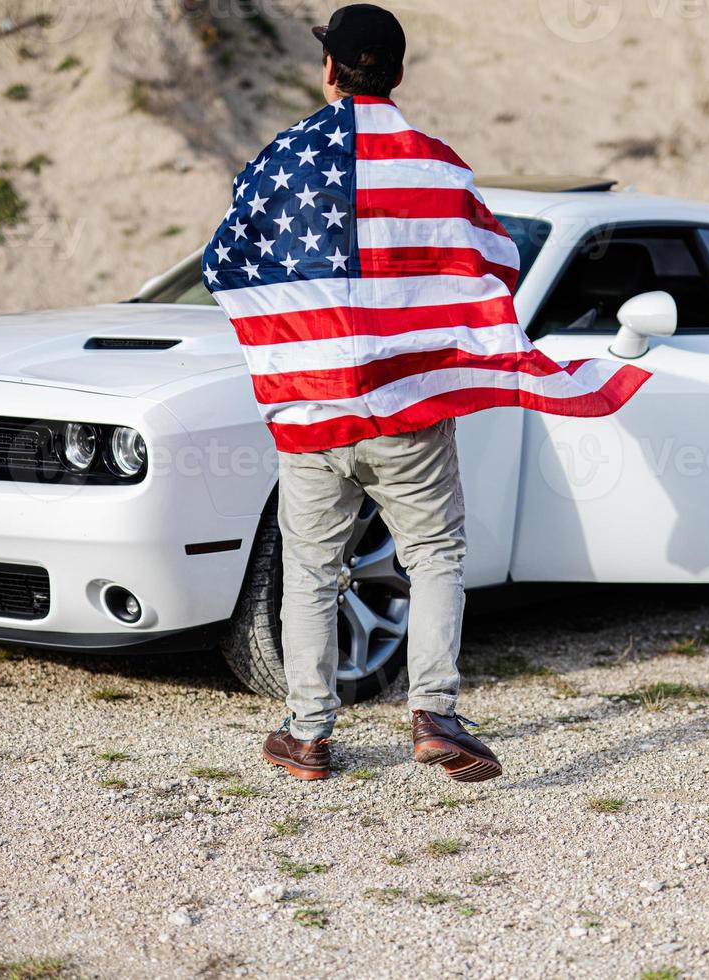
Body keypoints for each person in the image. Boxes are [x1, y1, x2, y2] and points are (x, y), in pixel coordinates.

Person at [202, 4, 650, 783]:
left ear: (330, 69)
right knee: (436, 555)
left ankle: (307, 734)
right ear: (398, 73)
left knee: (311, 571)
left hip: (313, 408)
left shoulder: (281, 160)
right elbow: (493, 261)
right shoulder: (437, 166)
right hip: (409, 409)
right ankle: (434, 714)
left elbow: (223, 265)